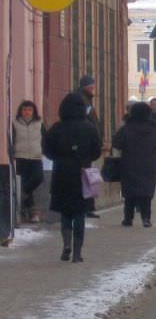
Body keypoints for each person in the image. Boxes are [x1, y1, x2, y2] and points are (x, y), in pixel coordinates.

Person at [44, 92, 101, 262]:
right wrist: (85, 158)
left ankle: (66, 245)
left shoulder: (57, 128)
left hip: (61, 173)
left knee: (66, 213)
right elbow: (97, 151)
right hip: (83, 175)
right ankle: (77, 253)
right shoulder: (90, 128)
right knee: (80, 214)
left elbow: (47, 149)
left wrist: (60, 158)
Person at [114, 102, 156, 228]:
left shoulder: (126, 128)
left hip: (129, 164)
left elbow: (116, 143)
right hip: (148, 165)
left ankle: (128, 218)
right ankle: (146, 218)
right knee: (146, 193)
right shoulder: (154, 129)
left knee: (129, 193)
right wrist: (155, 157)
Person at [11, 101, 46, 226]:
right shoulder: (15, 123)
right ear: (21, 111)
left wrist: (44, 151)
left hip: (36, 157)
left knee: (38, 178)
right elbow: (12, 139)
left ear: (34, 111)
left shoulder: (39, 123)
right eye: (24, 109)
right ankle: (33, 214)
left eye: (30, 110)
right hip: (21, 157)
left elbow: (45, 138)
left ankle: (21, 195)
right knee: (25, 181)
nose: (27, 112)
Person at [77, 75, 101, 218]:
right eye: (91, 85)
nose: (93, 88)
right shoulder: (83, 100)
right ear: (85, 86)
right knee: (85, 177)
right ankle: (86, 207)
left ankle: (88, 206)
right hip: (84, 145)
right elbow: (88, 122)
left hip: (87, 144)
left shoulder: (87, 100)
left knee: (87, 177)